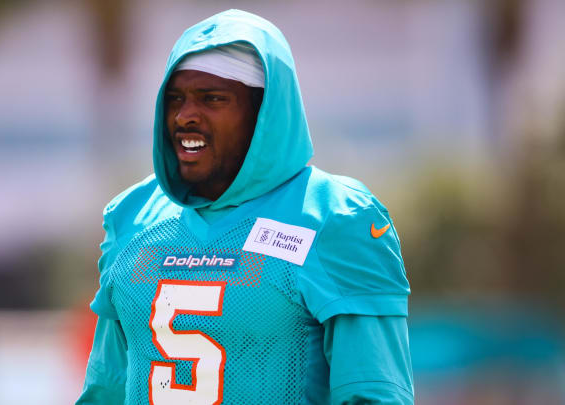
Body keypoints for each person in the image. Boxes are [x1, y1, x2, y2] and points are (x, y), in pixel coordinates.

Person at [75, 9, 413, 405]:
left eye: (213, 98)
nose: (185, 116)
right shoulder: (133, 217)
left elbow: (373, 396)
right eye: (175, 98)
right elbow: (106, 391)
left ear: (264, 113)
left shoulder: (337, 218)